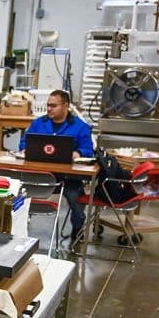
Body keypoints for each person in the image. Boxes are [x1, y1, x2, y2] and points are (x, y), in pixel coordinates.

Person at [18, 89, 95, 242]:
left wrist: (78, 153)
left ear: (66, 106)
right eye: (48, 105)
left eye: (53, 105)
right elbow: (23, 143)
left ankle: (77, 233)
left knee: (76, 199)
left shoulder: (80, 127)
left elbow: (89, 151)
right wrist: (25, 149)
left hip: (68, 178)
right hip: (38, 176)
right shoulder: (38, 123)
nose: (49, 109)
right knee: (14, 192)